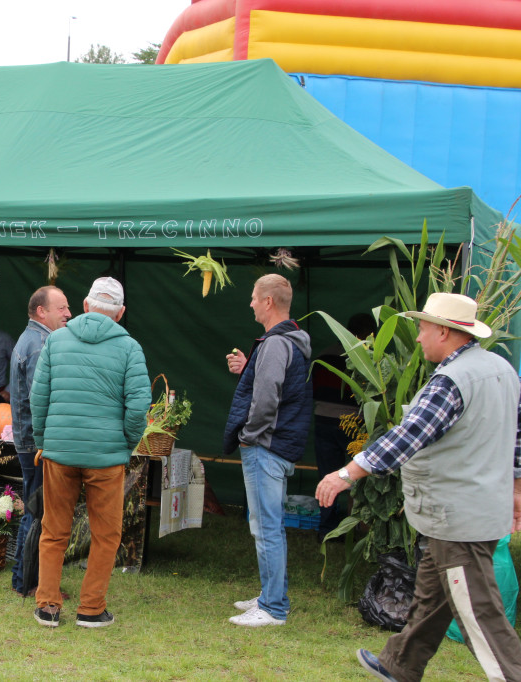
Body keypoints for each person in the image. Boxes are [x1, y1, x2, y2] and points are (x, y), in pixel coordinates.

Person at [315, 293, 521, 682]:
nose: (420, 336)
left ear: (444, 331)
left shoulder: (451, 380)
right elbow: (517, 436)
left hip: (459, 518)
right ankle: (400, 667)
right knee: (432, 597)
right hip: (475, 512)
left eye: (424, 327)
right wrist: (516, 488)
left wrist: (344, 475)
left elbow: (407, 437)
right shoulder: (502, 369)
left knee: (480, 613)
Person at [31, 277, 151, 629]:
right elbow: (138, 407)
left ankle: (47, 607)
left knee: (53, 530)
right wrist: (125, 444)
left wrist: (44, 440)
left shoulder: (55, 341)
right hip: (106, 457)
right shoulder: (130, 348)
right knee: (106, 534)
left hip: (59, 452)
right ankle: (91, 609)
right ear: (121, 312)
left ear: (85, 305)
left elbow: (39, 399)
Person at [223, 273, 312, 627]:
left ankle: (273, 608)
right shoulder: (291, 340)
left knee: (267, 527)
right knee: (267, 524)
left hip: (266, 447)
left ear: (269, 302)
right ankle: (270, 595)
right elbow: (281, 386)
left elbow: (266, 400)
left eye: (254, 297)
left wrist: (248, 434)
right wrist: (250, 368)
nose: (251, 303)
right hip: (279, 445)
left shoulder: (276, 344)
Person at [9, 285, 71, 597]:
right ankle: (27, 581)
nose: (68, 314)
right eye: (62, 308)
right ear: (41, 311)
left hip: (31, 441)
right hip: (37, 444)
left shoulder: (35, 339)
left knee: (36, 509)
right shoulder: (39, 344)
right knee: (37, 511)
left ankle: (26, 578)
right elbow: (41, 398)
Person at [313, 312, 376, 541]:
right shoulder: (365, 358)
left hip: (322, 420)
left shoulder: (324, 354)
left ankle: (326, 529)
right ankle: (354, 527)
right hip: (353, 424)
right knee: (355, 475)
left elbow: (314, 390)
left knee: (327, 476)